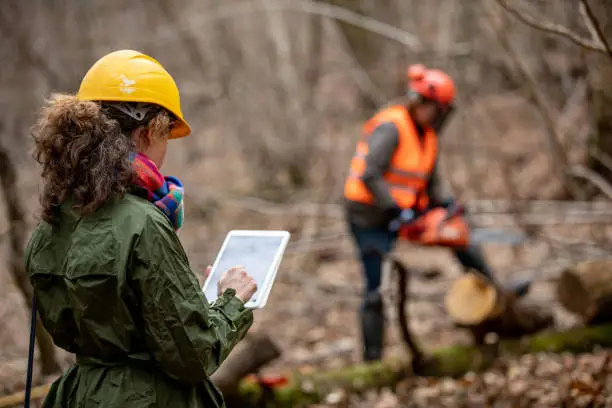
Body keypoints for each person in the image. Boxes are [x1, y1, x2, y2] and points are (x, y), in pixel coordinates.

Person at [25, 49, 257, 408]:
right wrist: (231, 301)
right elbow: (194, 355)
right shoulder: (143, 223)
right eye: (167, 137)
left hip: (78, 396)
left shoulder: (52, 221)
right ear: (150, 132)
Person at [343, 64, 498, 362]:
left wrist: (446, 206)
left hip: (401, 212)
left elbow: (430, 184)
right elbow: (370, 174)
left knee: (461, 237)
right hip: (368, 217)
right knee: (378, 287)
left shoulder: (428, 137)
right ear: (424, 104)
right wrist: (397, 210)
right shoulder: (391, 127)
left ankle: (494, 293)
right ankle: (372, 360)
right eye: (438, 110)